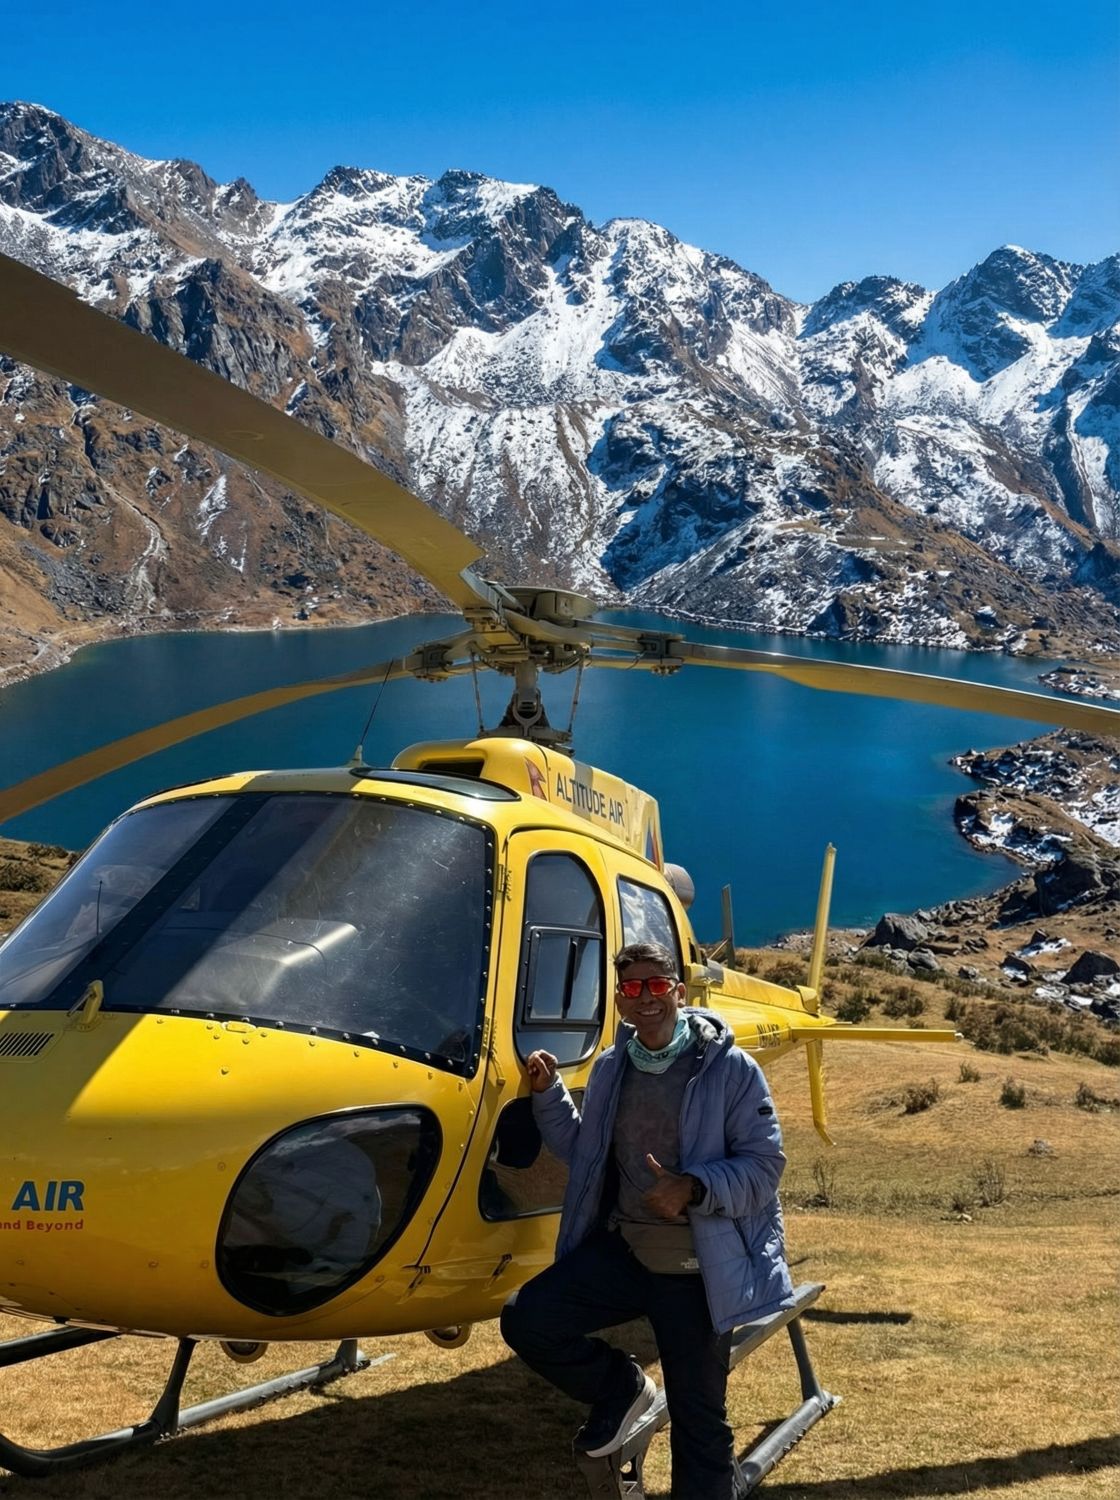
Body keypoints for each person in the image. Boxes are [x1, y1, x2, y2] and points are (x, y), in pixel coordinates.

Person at [500, 940, 793, 1500]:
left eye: (657, 985)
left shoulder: (729, 1069)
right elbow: (586, 1149)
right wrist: (548, 1094)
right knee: (528, 1319)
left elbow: (764, 1167)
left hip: (698, 1266)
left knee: (699, 1423)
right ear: (619, 1001)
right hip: (626, 1252)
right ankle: (623, 1389)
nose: (646, 997)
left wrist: (694, 1187)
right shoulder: (614, 1067)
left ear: (679, 992)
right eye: (632, 988)